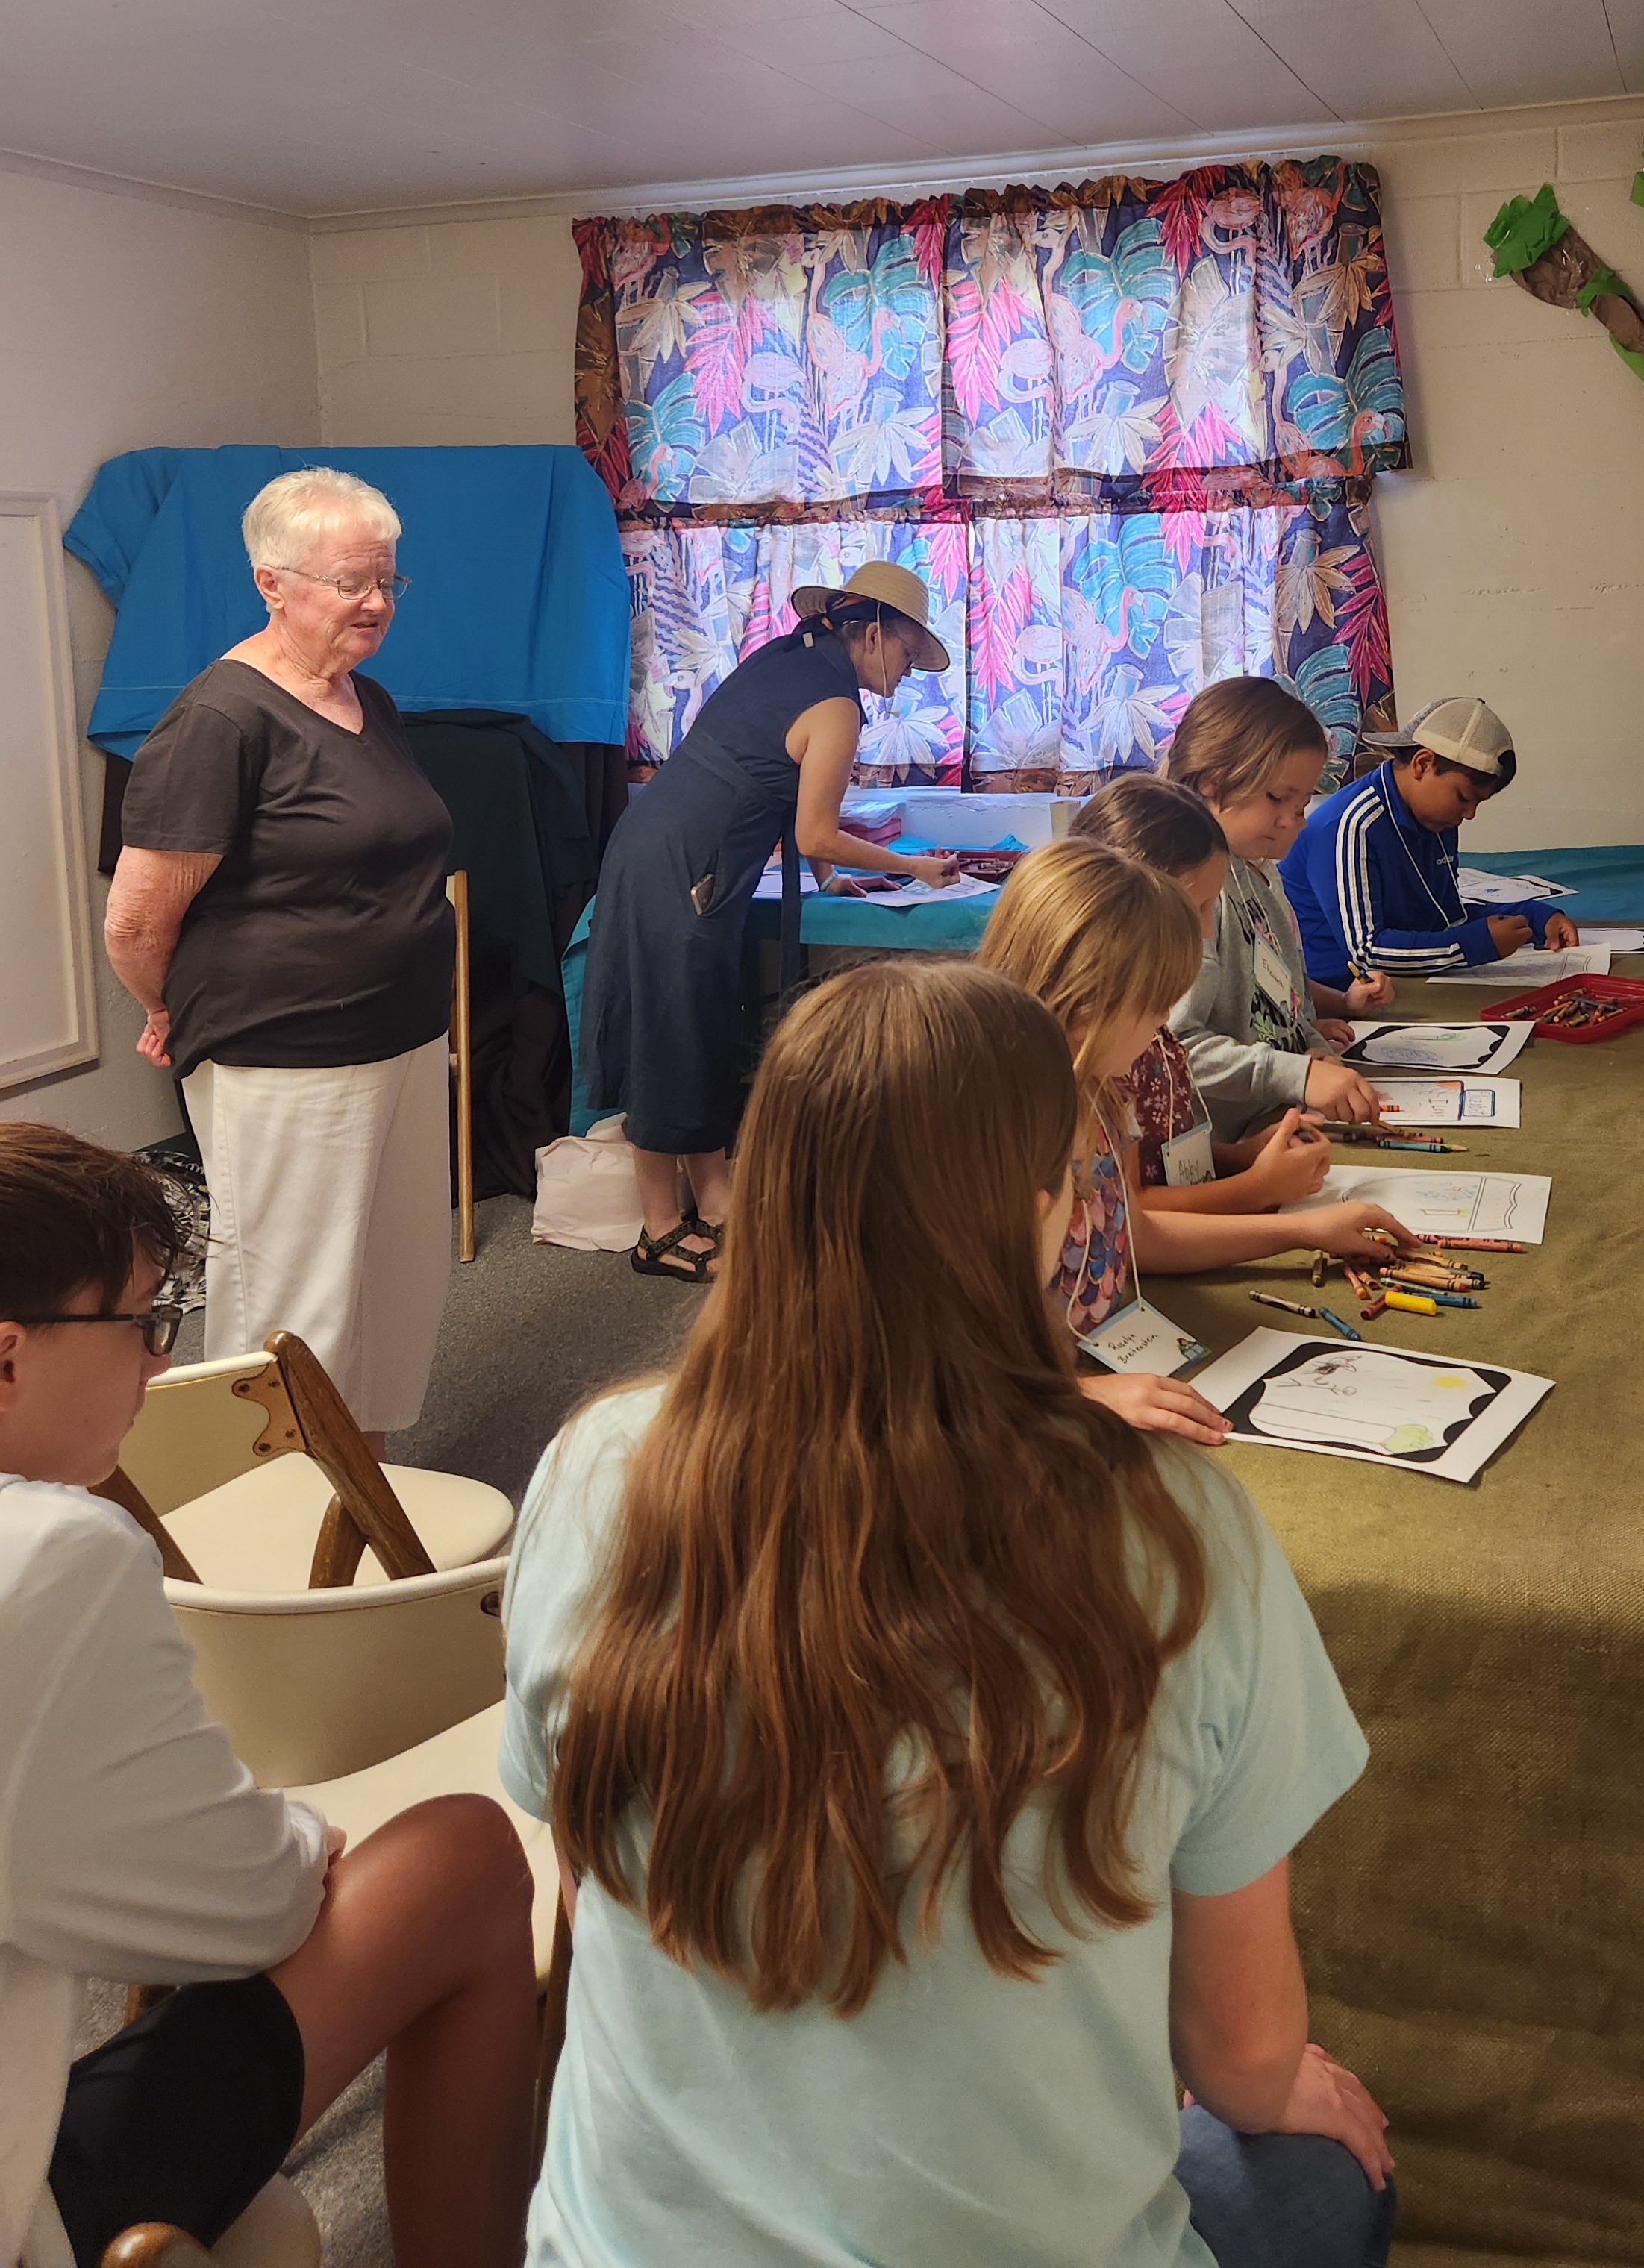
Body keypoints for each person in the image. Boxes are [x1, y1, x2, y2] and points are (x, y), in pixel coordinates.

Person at [499, 958, 1396, 2268]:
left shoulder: (593, 1470)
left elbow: (590, 1890)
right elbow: (1245, 2057)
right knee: (1328, 2173)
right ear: (1036, 1214)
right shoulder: (1182, 1539)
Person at [0, 1123, 537, 2268]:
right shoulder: (50, 1560)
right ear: (7, 1356)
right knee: (464, 1856)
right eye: (141, 1323)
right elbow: (249, 1910)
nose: (158, 1364)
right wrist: (301, 1835)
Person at [104, 467, 456, 1450]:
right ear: (272, 582)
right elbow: (135, 922)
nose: (375, 602)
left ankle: (362, 1483)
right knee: (296, 1298)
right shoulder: (220, 719)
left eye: (386, 580)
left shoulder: (365, 697)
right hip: (288, 1052)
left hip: (400, 1036)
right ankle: (271, 1497)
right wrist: (166, 1009)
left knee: (393, 1277)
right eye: (350, 582)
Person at [578, 560, 960, 1279]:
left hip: (661, 848)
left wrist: (833, 879)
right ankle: (658, 1232)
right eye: (909, 654)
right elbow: (815, 829)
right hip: (686, 865)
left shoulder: (789, 659)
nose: (910, 672)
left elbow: (784, 786)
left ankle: (716, 1200)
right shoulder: (836, 704)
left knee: (699, 1026)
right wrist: (914, 869)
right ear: (873, 634)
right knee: (670, 1031)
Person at [978, 840, 1409, 1444]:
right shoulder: (991, 1128)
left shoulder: (1102, 1091)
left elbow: (1138, 1235)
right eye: (1157, 1005)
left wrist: (1304, 1230)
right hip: (1018, 1402)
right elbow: (920, 1343)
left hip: (1087, 1362)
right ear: (1087, 1001)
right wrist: (1075, 1394)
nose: (1164, 1026)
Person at [1071, 776, 1334, 1213]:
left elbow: (1158, 1161)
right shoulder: (1102, 1044)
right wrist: (1259, 1189)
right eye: (1199, 908)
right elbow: (1137, 1216)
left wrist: (1243, 1158)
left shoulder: (1147, 1026)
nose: (1210, 930)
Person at [1163, 682, 1390, 1140]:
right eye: (1276, 798)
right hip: (1223, 1145)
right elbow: (1174, 1050)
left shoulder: (1262, 874)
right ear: (1212, 782)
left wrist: (1313, 1048)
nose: (1293, 821)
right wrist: (1297, 1074)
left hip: (1277, 1119)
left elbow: (1284, 998)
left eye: (1302, 805)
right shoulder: (1196, 893)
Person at [1281, 696, 1581, 984]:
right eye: (1463, 797)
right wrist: (1473, 945)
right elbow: (1367, 953)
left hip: (1399, 981)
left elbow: (1445, 918)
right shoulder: (1352, 825)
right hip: (1342, 995)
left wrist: (1532, 918)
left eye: (1478, 803)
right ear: (1423, 764)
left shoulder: (1435, 820)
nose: (1470, 814)